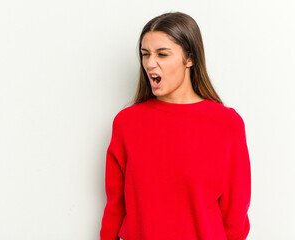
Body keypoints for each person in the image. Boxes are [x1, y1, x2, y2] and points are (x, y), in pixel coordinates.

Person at [100, 11, 251, 240]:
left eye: (162, 54)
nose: (150, 63)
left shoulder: (226, 124)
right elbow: (115, 207)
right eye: (145, 54)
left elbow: (235, 216)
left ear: (189, 58)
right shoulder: (127, 123)